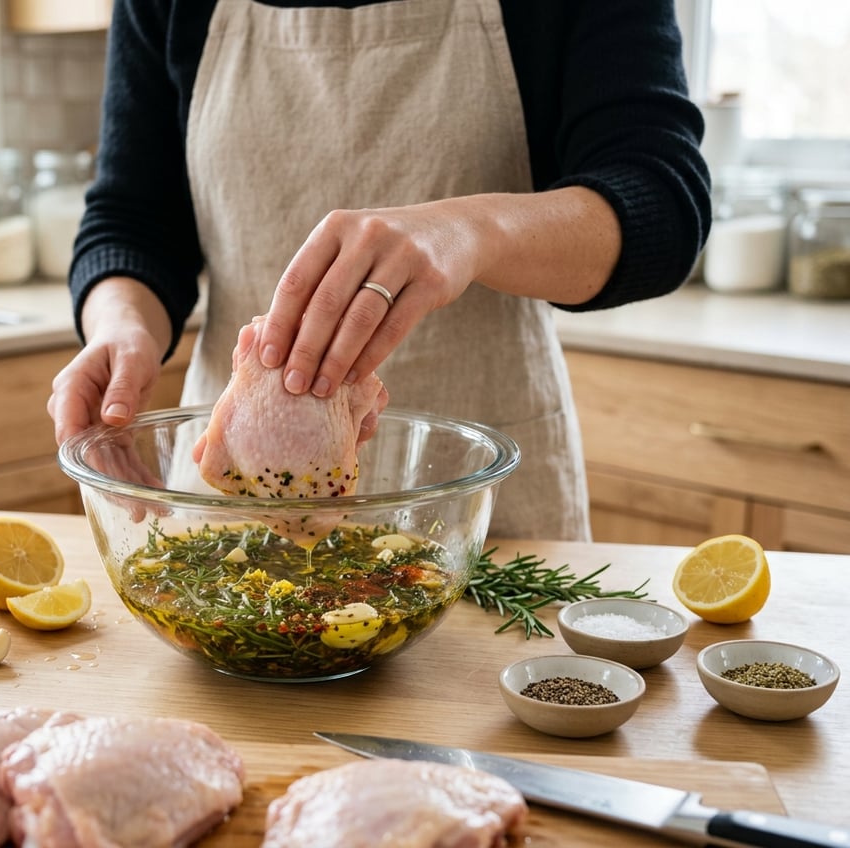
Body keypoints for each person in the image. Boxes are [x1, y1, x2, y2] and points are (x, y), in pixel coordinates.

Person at [47, 0, 712, 541]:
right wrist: (120, 326)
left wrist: (472, 229)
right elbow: (132, 220)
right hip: (234, 502)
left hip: (482, 508)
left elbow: (661, 204)